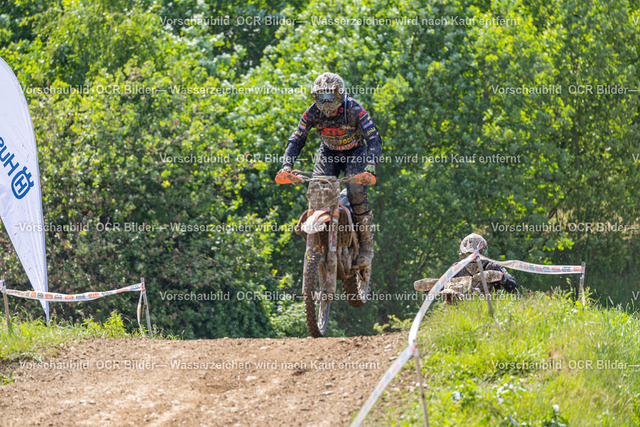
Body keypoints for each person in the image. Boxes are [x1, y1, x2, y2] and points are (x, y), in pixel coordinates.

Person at [279, 72, 382, 269]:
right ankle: (317, 240)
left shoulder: (355, 109)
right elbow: (297, 138)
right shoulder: (311, 113)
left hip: (355, 153)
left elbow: (374, 138)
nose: (325, 101)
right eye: (321, 96)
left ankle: (366, 247)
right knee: (317, 191)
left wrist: (371, 164)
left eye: (328, 96)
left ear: (339, 93)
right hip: (328, 153)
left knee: (355, 191)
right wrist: (287, 166)